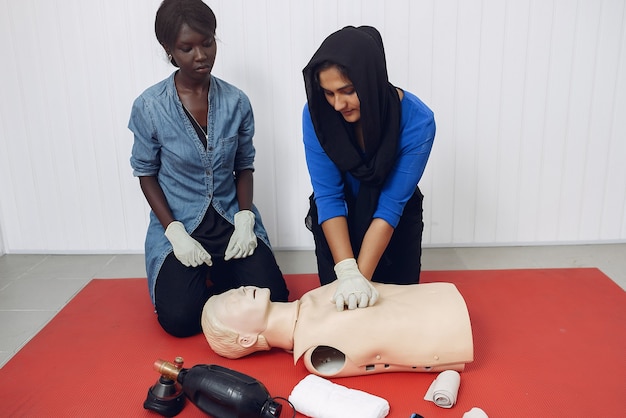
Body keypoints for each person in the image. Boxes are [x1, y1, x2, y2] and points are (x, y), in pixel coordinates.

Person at [128, 0, 288, 338]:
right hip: (181, 224)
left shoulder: (237, 102)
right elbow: (145, 172)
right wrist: (173, 231)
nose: (201, 55)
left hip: (230, 220)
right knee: (179, 320)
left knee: (275, 299)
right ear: (169, 50)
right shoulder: (149, 107)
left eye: (207, 43)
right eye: (187, 48)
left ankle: (216, 273)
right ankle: (211, 276)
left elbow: (244, 164)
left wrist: (245, 218)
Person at [301, 26, 436, 311]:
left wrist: (360, 279)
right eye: (328, 93)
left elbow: (390, 207)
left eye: (348, 91)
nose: (338, 104)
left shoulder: (418, 120)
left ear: (370, 81)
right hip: (338, 221)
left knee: (396, 314)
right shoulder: (317, 116)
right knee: (339, 312)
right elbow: (329, 196)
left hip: (392, 224)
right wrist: (348, 273)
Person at [201, 282, 473, 378]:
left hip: (437, 301)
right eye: (232, 300)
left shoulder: (307, 302)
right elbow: (386, 356)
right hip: (449, 330)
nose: (238, 290)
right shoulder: (314, 351)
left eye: (232, 291)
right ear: (246, 338)